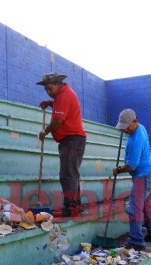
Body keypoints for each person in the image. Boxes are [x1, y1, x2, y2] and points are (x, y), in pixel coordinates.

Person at [37, 73, 87, 218]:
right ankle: (74, 206)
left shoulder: (64, 95)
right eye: (46, 89)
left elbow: (58, 120)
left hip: (72, 140)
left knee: (67, 175)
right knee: (71, 173)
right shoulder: (62, 95)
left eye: (50, 88)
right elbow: (61, 107)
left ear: (58, 83)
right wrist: (50, 103)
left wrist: (44, 132)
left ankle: (71, 208)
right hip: (72, 139)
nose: (48, 91)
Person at [112, 109, 151, 251]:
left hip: (143, 176)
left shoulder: (136, 139)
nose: (125, 130)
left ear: (135, 121)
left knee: (133, 209)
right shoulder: (140, 128)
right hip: (149, 174)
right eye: (123, 127)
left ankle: (137, 241)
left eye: (127, 126)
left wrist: (119, 169)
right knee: (147, 205)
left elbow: (132, 166)